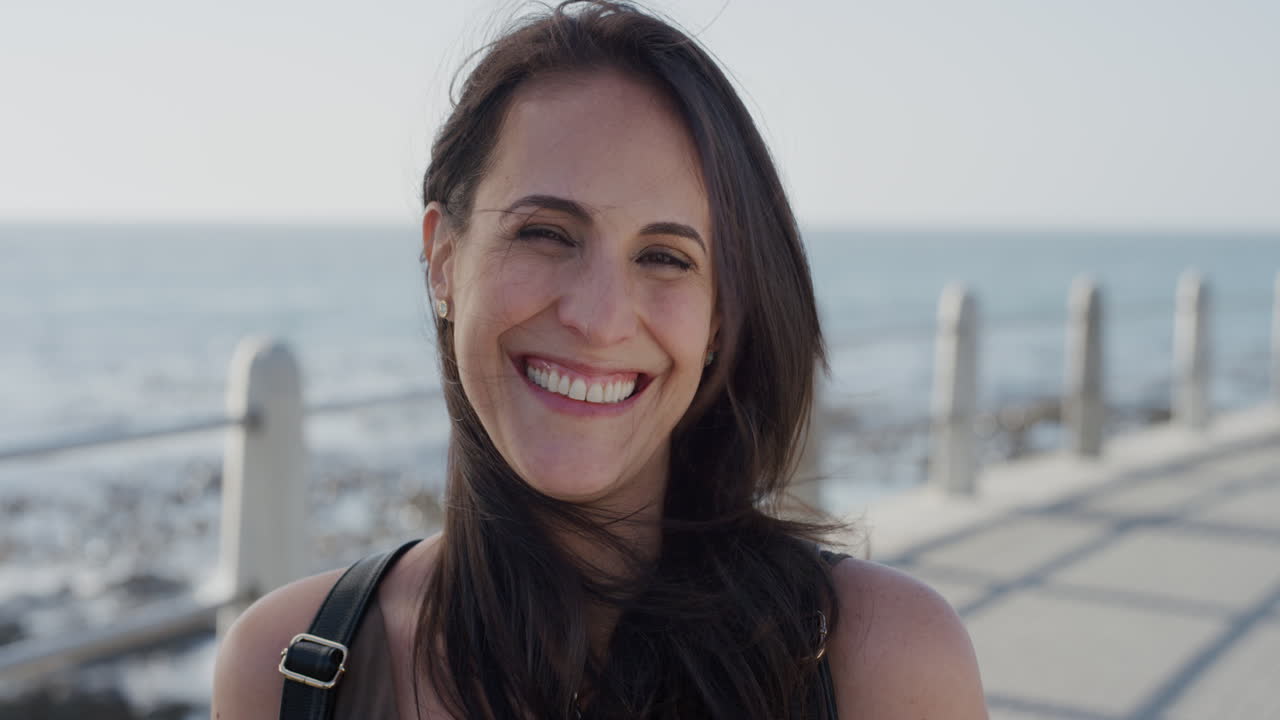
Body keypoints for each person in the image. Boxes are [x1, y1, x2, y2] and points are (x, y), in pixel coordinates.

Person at [212, 2, 987, 718]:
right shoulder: (285, 673)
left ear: (722, 316)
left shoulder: (881, 661)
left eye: (665, 256)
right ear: (443, 258)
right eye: (546, 233)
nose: (598, 318)